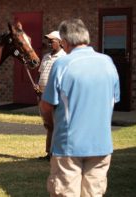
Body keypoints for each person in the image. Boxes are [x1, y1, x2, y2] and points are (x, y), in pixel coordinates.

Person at [41, 18, 120, 197]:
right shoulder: (108, 62)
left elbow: (46, 106)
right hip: (101, 144)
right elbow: (113, 101)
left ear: (65, 42)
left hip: (69, 146)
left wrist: (51, 124)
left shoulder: (62, 64)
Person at [34, 31, 65, 161]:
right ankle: (49, 153)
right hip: (42, 95)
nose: (49, 43)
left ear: (60, 42)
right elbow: (40, 74)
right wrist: (37, 85)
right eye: (48, 41)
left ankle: (55, 153)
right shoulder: (46, 57)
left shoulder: (64, 58)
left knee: (55, 124)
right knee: (48, 125)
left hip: (54, 96)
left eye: (52, 41)